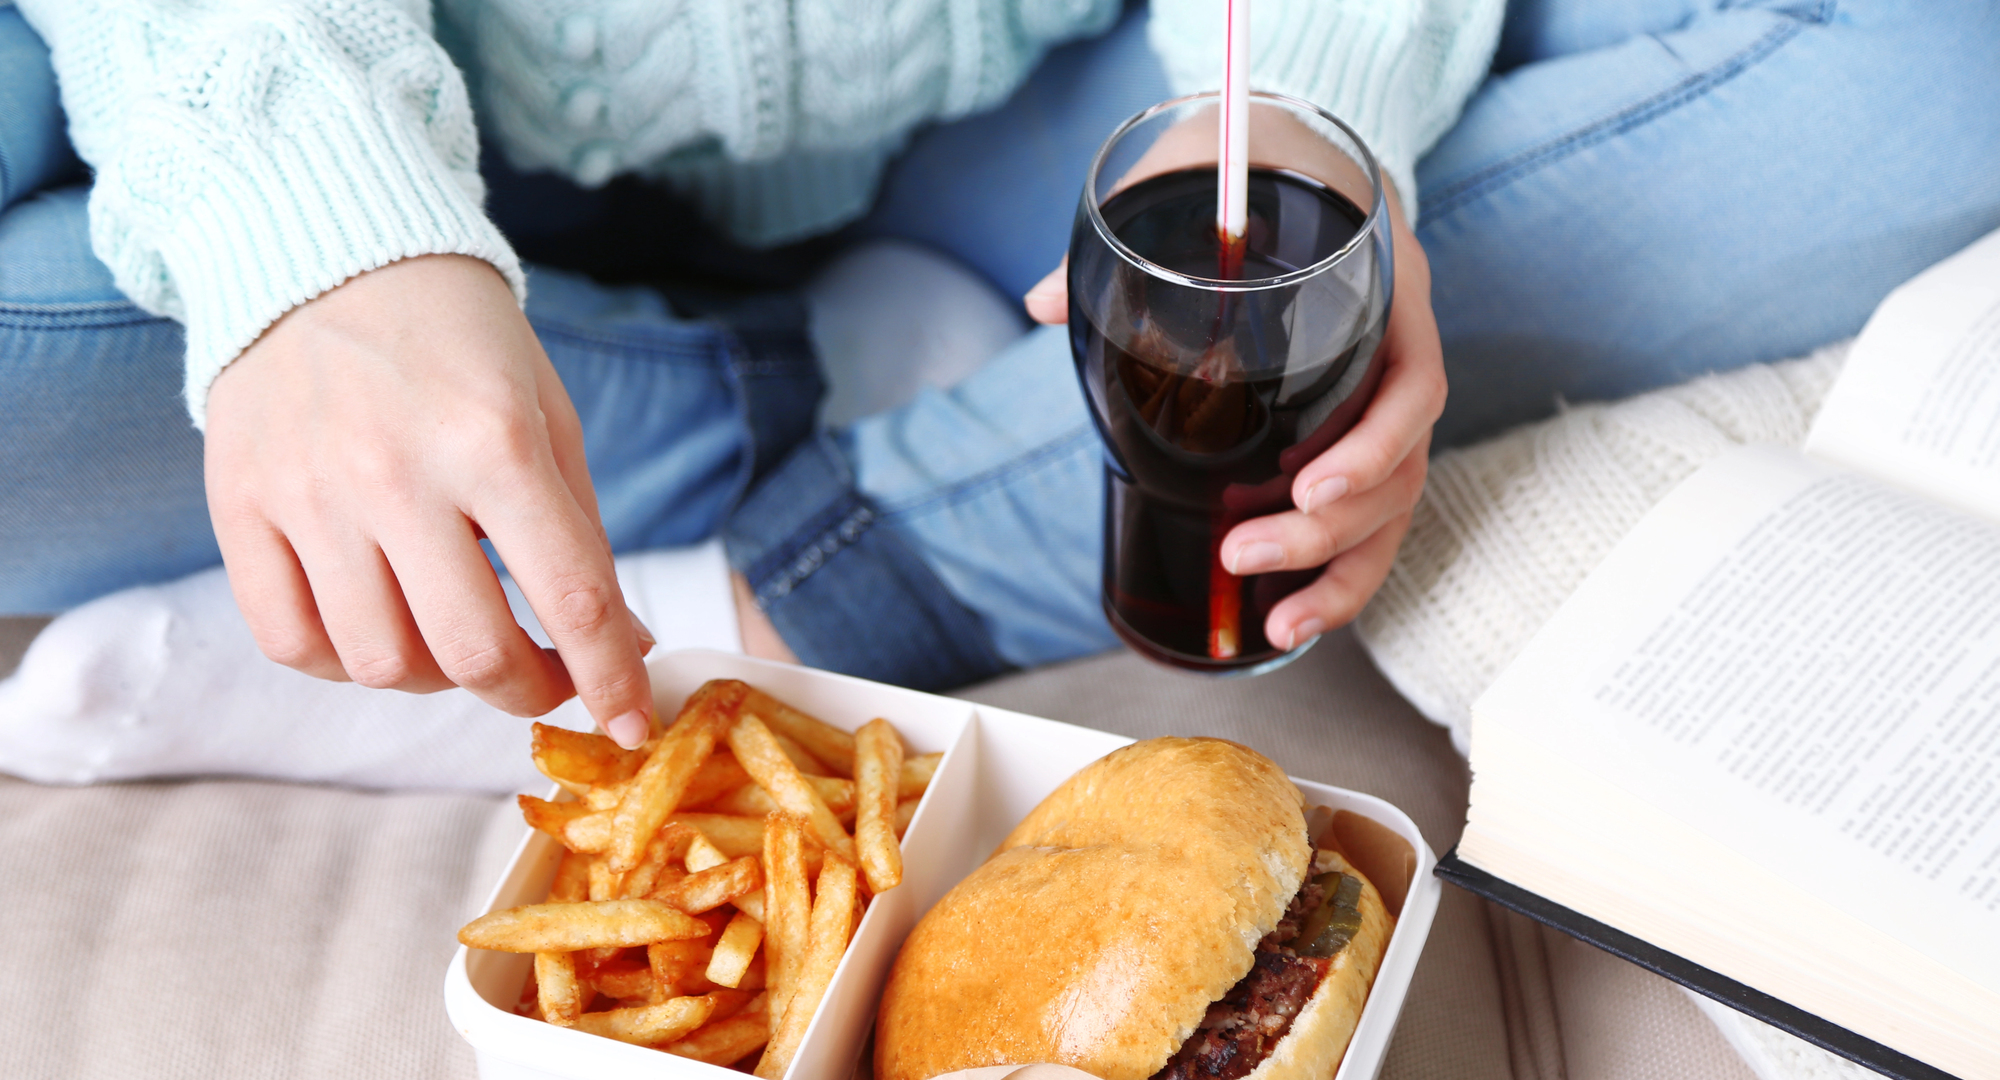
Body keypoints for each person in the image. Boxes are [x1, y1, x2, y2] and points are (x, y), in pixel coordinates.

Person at [3, 0, 1997, 748]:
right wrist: (317, 236)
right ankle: (809, 401)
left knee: (1937, 62)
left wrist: (1298, 124)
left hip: (1052, 119)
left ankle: (790, 568)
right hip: (389, 106)